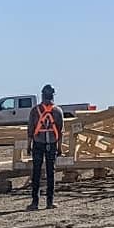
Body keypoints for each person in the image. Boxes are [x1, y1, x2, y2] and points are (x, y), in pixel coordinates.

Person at [27, 83, 65, 211]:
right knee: (51, 173)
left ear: (42, 95)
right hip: (52, 144)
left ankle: (34, 203)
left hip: (38, 143)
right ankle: (50, 202)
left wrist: (28, 146)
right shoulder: (57, 111)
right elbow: (60, 131)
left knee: (36, 173)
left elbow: (30, 130)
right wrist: (60, 148)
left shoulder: (35, 110)